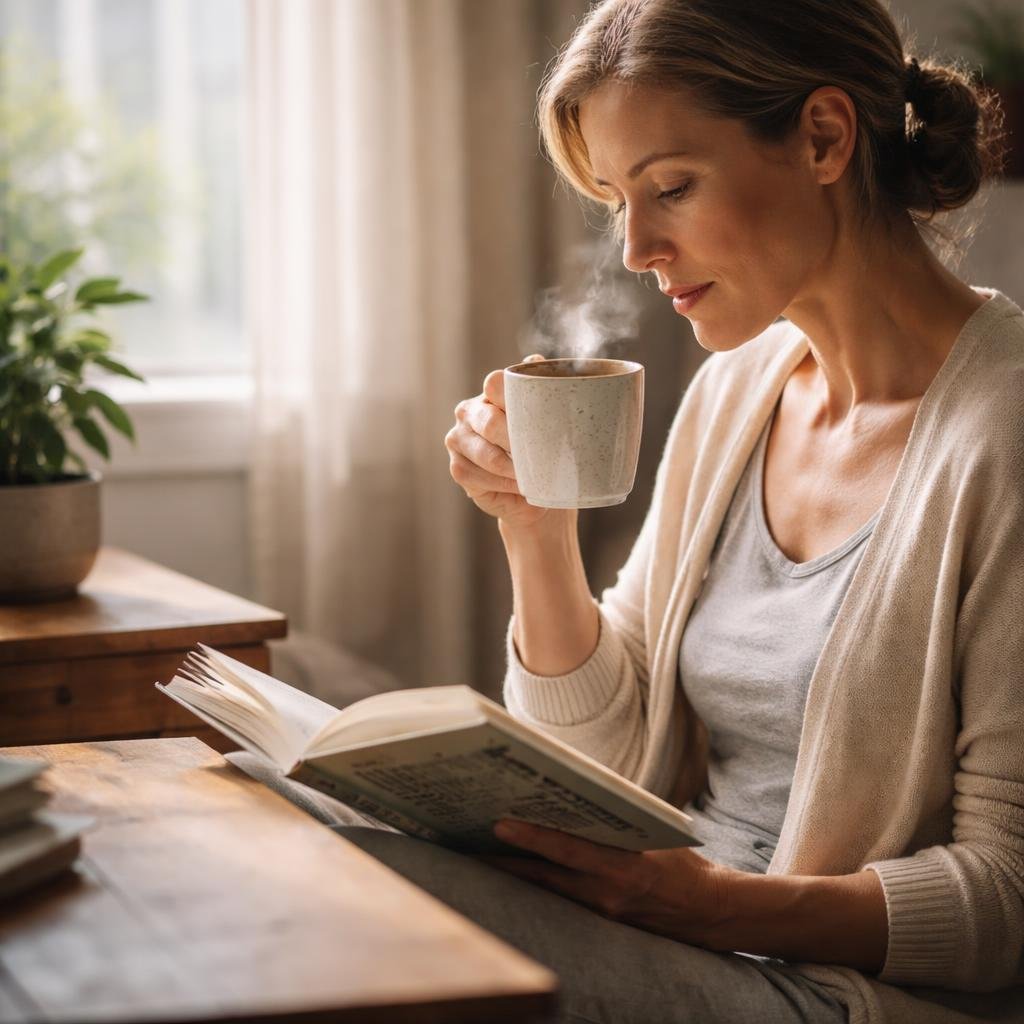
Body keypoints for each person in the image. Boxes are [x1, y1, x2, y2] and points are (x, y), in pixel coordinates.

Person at [230, 1, 1024, 1021]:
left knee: (341, 880)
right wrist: (533, 523)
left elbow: (1007, 895)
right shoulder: (742, 388)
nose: (638, 246)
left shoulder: (1002, 430)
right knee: (263, 789)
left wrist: (712, 904)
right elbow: (605, 757)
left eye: (672, 189)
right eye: (616, 201)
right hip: (674, 924)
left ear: (824, 137)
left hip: (828, 989)